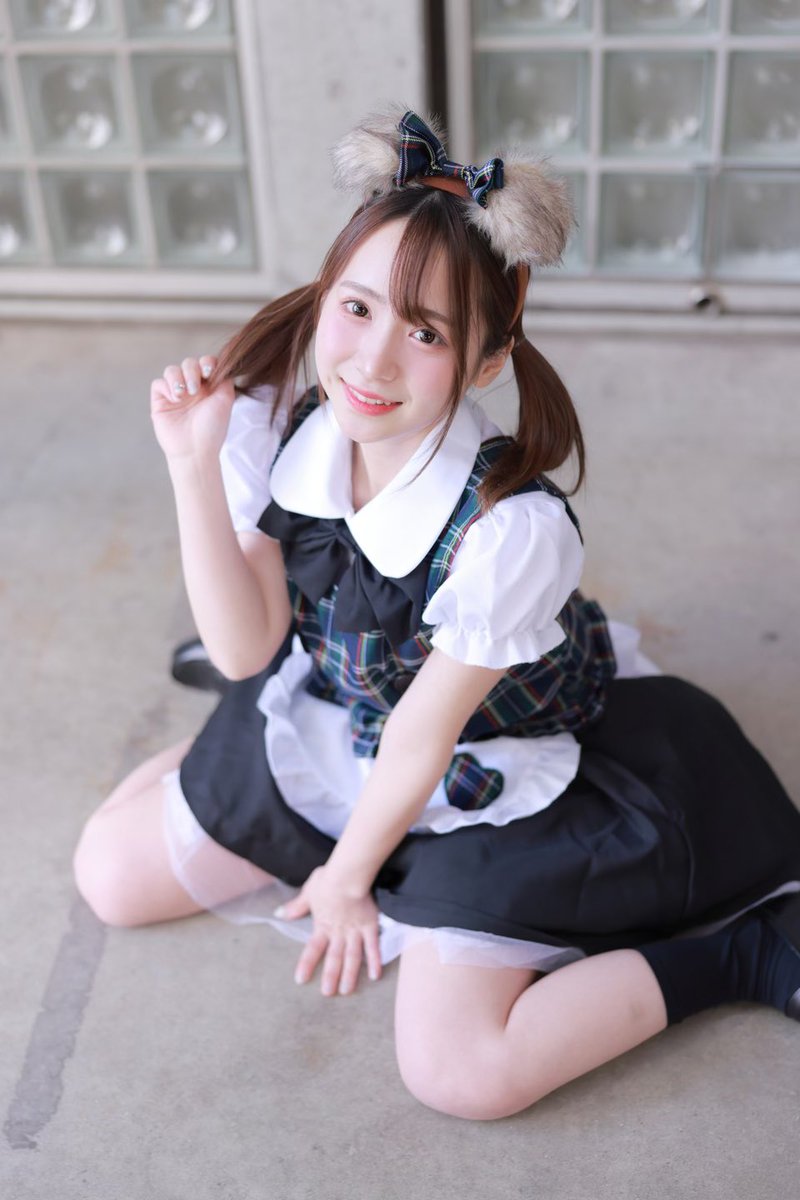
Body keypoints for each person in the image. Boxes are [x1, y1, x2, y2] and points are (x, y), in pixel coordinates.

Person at [73, 107, 800, 1120]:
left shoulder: (509, 531)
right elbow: (247, 650)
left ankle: (743, 952)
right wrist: (192, 464)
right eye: (356, 308)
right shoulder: (277, 421)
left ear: (485, 362)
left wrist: (345, 880)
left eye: (425, 333)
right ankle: (245, 753)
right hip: (343, 708)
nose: (372, 362)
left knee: (462, 1073)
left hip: (498, 758)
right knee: (108, 877)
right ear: (323, 297)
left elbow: (422, 737)